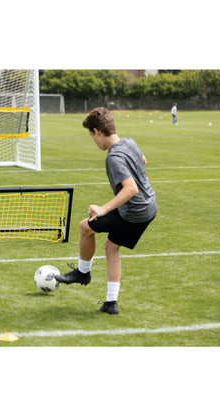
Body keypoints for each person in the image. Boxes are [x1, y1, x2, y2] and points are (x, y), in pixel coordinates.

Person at [55, 107, 157, 315]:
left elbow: (131, 188)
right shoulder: (129, 142)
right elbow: (143, 160)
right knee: (111, 247)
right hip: (149, 208)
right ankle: (111, 303)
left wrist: (103, 209)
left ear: (97, 131)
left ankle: (83, 273)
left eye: (91, 135)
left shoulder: (113, 158)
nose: (93, 141)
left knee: (85, 226)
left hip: (134, 211)